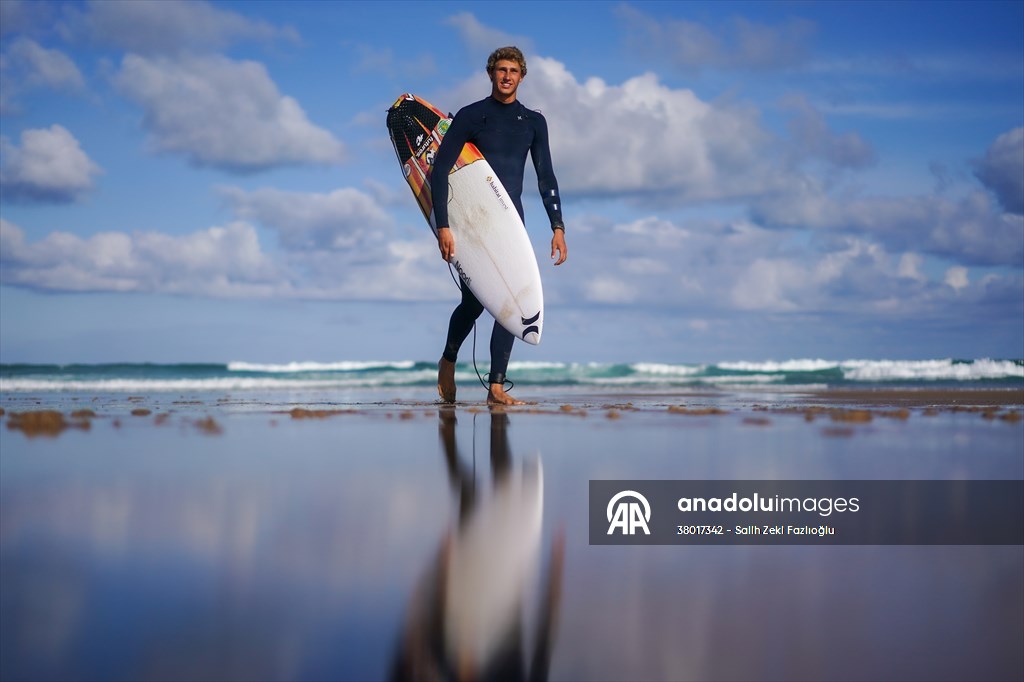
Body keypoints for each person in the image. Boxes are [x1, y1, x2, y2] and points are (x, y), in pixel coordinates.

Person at [430, 46, 568, 406]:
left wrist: (557, 226)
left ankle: (495, 387)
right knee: (474, 303)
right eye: (501, 70)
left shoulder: (534, 122)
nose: (507, 76)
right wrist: (443, 226)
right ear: (491, 74)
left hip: (511, 225)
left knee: (511, 300)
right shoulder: (471, 116)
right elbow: (440, 169)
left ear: (522, 76)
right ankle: (448, 360)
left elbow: (546, 177)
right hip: (472, 225)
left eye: (513, 71)